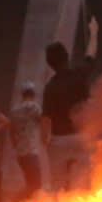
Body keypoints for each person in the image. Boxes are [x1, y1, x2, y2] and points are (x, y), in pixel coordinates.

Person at [41, 16, 98, 192]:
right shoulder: (79, 75)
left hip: (58, 140)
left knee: (57, 186)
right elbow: (90, 56)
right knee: (83, 185)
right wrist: (94, 32)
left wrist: (46, 144)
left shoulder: (50, 87)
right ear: (67, 57)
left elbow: (45, 120)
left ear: (50, 64)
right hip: (81, 137)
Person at [10, 82, 43, 202]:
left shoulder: (14, 111)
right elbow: (43, 123)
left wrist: (17, 147)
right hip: (31, 151)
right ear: (33, 94)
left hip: (21, 153)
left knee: (31, 183)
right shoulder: (34, 108)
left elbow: (11, 133)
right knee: (35, 184)